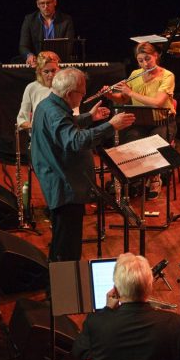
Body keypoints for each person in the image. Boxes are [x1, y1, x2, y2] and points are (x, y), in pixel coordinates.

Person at [31, 68, 134, 262]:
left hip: (60, 181)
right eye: (82, 93)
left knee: (63, 242)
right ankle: (61, 290)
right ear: (70, 94)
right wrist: (111, 125)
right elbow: (75, 140)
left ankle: (58, 285)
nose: (84, 96)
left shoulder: (48, 105)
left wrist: (90, 118)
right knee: (66, 249)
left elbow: (65, 125)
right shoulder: (54, 112)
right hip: (64, 187)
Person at [104, 42, 177, 144]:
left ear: (155, 56)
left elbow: (157, 103)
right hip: (140, 123)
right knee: (132, 141)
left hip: (162, 123)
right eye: (140, 61)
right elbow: (123, 98)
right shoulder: (135, 74)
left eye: (148, 59)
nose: (145, 64)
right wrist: (110, 95)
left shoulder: (167, 76)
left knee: (155, 145)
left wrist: (131, 93)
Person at [19, 0, 75, 66]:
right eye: (42, 3)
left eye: (48, 3)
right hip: (37, 65)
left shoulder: (66, 20)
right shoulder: (29, 20)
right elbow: (23, 46)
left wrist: (51, 59)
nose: (45, 6)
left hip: (59, 64)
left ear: (55, 2)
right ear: (37, 4)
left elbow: (69, 46)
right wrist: (29, 55)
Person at [16, 51, 61, 129]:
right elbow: (21, 119)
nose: (51, 75)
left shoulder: (64, 86)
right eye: (46, 72)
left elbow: (74, 114)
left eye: (53, 70)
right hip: (39, 136)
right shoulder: (31, 88)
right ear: (39, 72)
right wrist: (36, 127)